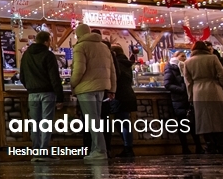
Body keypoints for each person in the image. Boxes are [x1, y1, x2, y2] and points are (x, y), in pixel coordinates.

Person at [70, 23, 116, 162]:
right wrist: (112, 89)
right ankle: (98, 149)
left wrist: (72, 85)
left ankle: (99, 150)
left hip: (86, 88)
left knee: (92, 120)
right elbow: (112, 70)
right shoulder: (104, 47)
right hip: (101, 88)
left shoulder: (80, 47)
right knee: (97, 119)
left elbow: (79, 69)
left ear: (78, 35)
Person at [183, 41, 223, 154]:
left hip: (198, 91)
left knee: (203, 119)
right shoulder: (213, 58)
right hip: (214, 88)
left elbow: (188, 81)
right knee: (220, 117)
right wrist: (222, 85)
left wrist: (191, 96)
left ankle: (209, 145)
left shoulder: (187, 62)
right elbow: (222, 74)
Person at [18, 31, 65, 155]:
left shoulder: (26, 55)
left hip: (32, 94)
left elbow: (22, 76)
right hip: (47, 93)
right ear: (46, 41)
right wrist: (60, 97)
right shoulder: (48, 55)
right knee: (46, 123)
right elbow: (54, 77)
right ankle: (44, 151)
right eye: (49, 41)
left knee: (35, 123)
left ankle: (36, 150)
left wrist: (29, 87)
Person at [163, 51, 204, 153]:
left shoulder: (186, 66)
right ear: (175, 57)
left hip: (188, 99)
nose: (184, 58)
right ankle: (185, 148)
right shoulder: (171, 68)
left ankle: (198, 146)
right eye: (182, 56)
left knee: (193, 124)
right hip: (179, 100)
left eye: (185, 56)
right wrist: (182, 89)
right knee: (183, 124)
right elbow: (167, 84)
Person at [109, 45, 137, 157]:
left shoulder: (116, 64)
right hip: (129, 94)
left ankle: (128, 148)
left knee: (122, 122)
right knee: (124, 122)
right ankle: (128, 147)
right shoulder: (127, 63)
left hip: (119, 95)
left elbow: (115, 79)